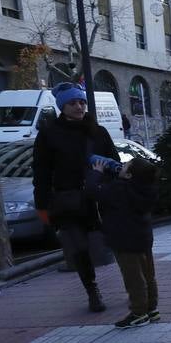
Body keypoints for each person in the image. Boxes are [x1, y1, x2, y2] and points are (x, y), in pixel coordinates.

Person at [33, 82, 117, 312]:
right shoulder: (49, 134)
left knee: (118, 242)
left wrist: (112, 185)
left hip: (99, 198)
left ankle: (135, 289)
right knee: (79, 249)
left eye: (81, 102)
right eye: (72, 103)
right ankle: (92, 291)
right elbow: (41, 171)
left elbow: (115, 163)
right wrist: (42, 203)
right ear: (62, 106)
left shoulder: (98, 132)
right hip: (68, 201)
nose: (79, 107)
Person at [87, 155, 159, 328]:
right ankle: (151, 308)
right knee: (148, 274)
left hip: (124, 240)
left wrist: (96, 173)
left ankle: (138, 313)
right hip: (143, 238)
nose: (121, 166)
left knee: (133, 277)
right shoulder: (146, 189)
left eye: (126, 166)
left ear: (129, 176)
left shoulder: (119, 189)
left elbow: (93, 191)